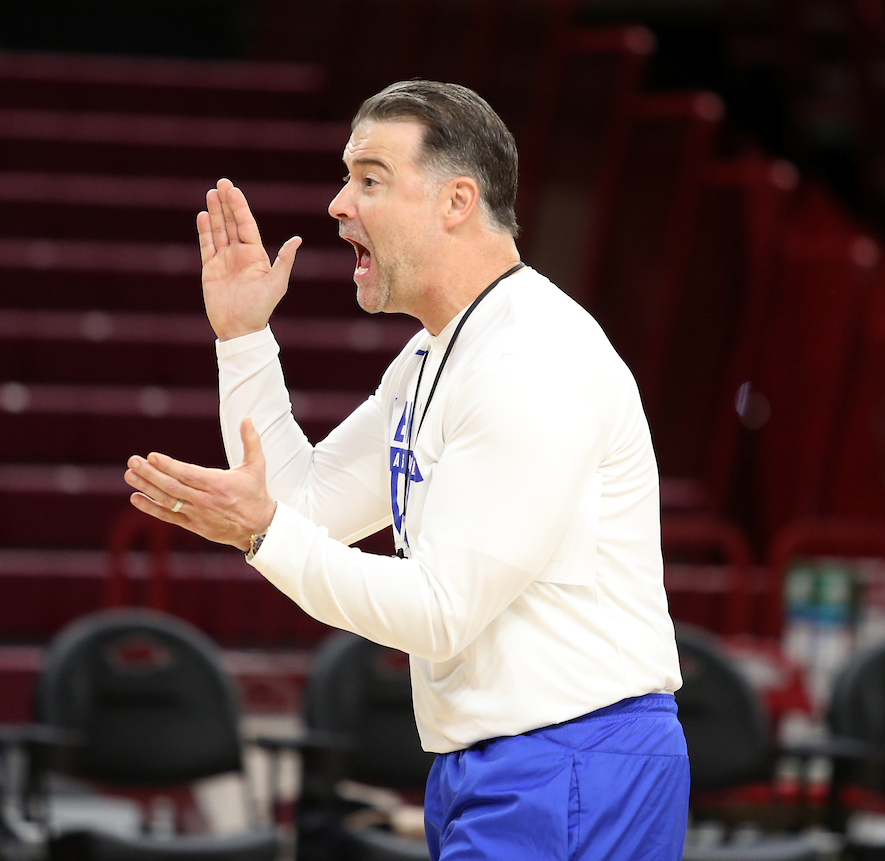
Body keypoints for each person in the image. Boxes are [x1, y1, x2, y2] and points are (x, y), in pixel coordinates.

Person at [125, 80, 688, 860]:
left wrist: (265, 536)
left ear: (457, 202)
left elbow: (437, 609)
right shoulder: (436, 352)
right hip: (499, 757)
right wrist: (244, 338)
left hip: (573, 757)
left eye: (370, 179)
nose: (337, 204)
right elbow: (307, 504)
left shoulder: (532, 360)